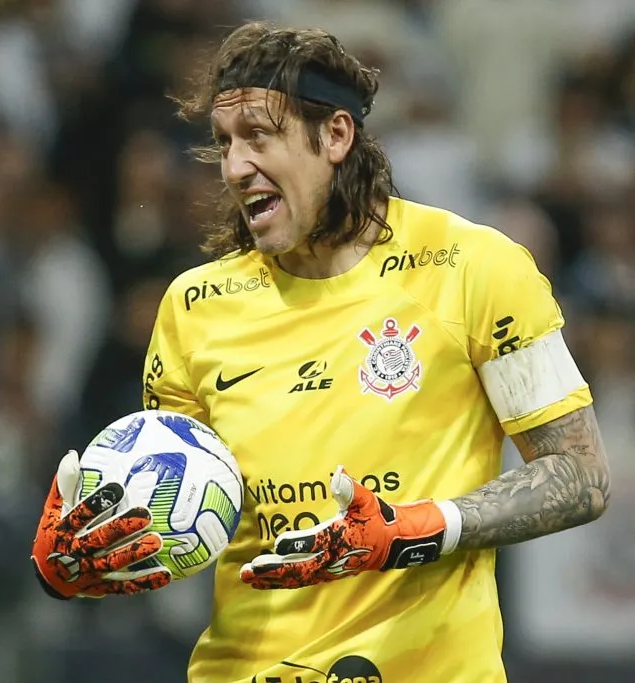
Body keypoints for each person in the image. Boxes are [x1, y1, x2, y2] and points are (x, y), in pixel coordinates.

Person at [30, 22, 612, 683]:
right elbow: (184, 527)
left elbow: (581, 475)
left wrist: (416, 528)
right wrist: (79, 567)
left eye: (258, 136)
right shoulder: (193, 309)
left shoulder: (475, 269)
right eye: (224, 143)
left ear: (335, 136)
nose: (234, 166)